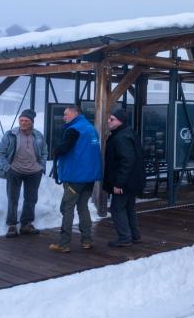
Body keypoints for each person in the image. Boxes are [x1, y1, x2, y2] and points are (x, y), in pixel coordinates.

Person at [48, 105, 101, 253]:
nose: (64, 117)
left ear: (75, 113)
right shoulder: (91, 129)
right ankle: (86, 240)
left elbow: (66, 147)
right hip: (90, 177)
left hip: (75, 176)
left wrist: (55, 151)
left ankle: (64, 243)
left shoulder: (74, 129)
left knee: (67, 207)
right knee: (83, 206)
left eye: (66, 114)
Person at [0, 109, 48, 237]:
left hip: (34, 172)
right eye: (21, 120)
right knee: (13, 198)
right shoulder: (10, 135)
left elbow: (45, 151)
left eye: (26, 121)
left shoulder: (38, 135)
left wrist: (41, 166)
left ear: (32, 122)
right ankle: (12, 225)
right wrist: (8, 168)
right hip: (15, 171)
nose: (23, 123)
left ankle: (26, 224)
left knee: (31, 199)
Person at [103, 107, 146, 247]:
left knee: (117, 208)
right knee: (129, 208)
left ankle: (124, 237)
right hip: (131, 181)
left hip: (125, 182)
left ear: (120, 121)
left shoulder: (121, 137)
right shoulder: (126, 133)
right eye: (109, 118)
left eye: (112, 119)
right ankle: (134, 235)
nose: (108, 121)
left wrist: (119, 183)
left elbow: (126, 161)